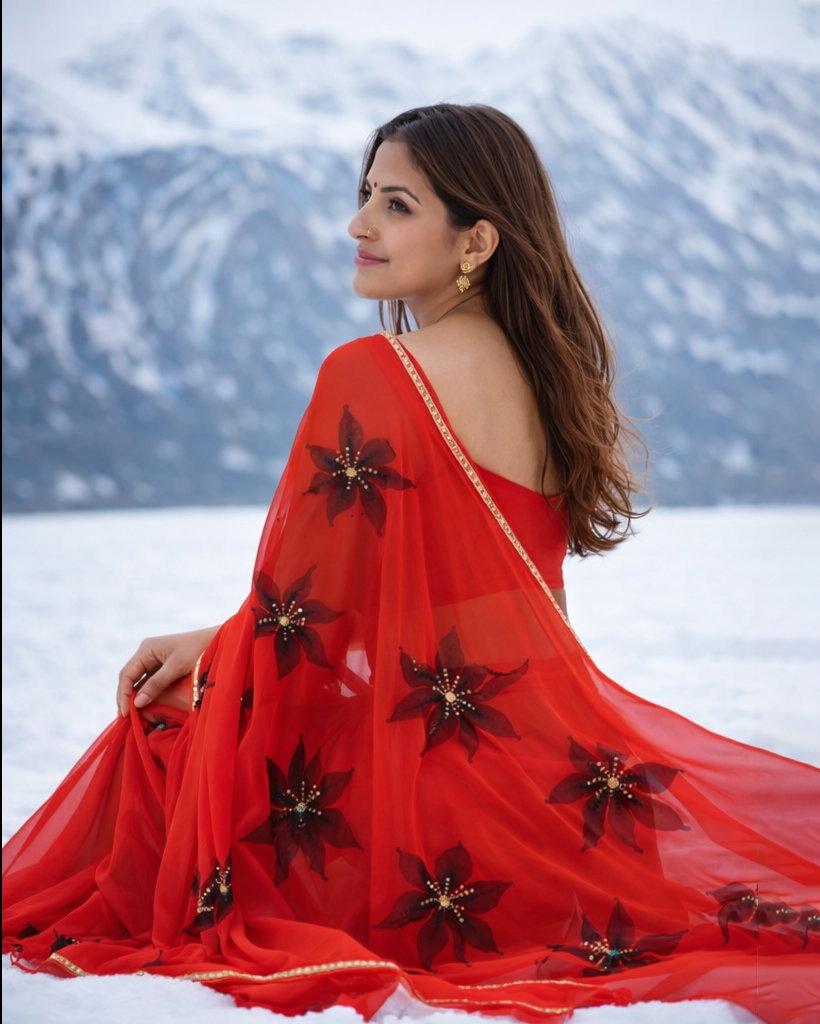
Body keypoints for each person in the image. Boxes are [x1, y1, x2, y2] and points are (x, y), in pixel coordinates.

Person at [3, 104, 818, 1024]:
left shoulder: (377, 374)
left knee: (156, 741)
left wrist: (216, 659)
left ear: (477, 240)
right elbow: (463, 613)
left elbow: (304, 629)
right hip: (565, 802)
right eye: (365, 197)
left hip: (438, 820)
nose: (357, 227)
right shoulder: (552, 381)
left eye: (394, 206)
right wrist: (219, 637)